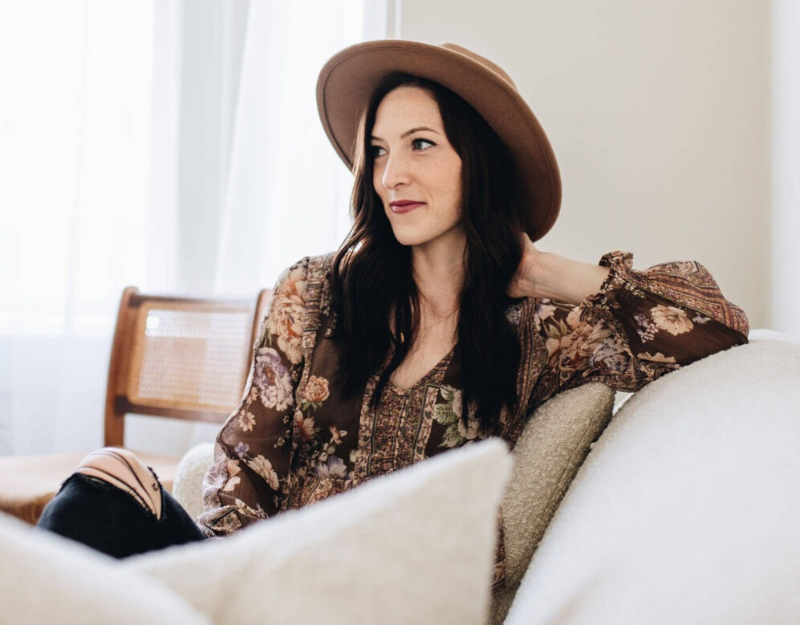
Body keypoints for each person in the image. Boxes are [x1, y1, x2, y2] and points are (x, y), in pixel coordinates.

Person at [37, 40, 749, 591]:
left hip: (391, 605)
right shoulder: (313, 294)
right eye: (378, 150)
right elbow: (244, 471)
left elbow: (718, 327)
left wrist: (543, 272)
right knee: (103, 486)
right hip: (262, 591)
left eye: (420, 145)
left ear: (480, 162)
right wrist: (227, 586)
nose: (390, 176)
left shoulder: (542, 330)